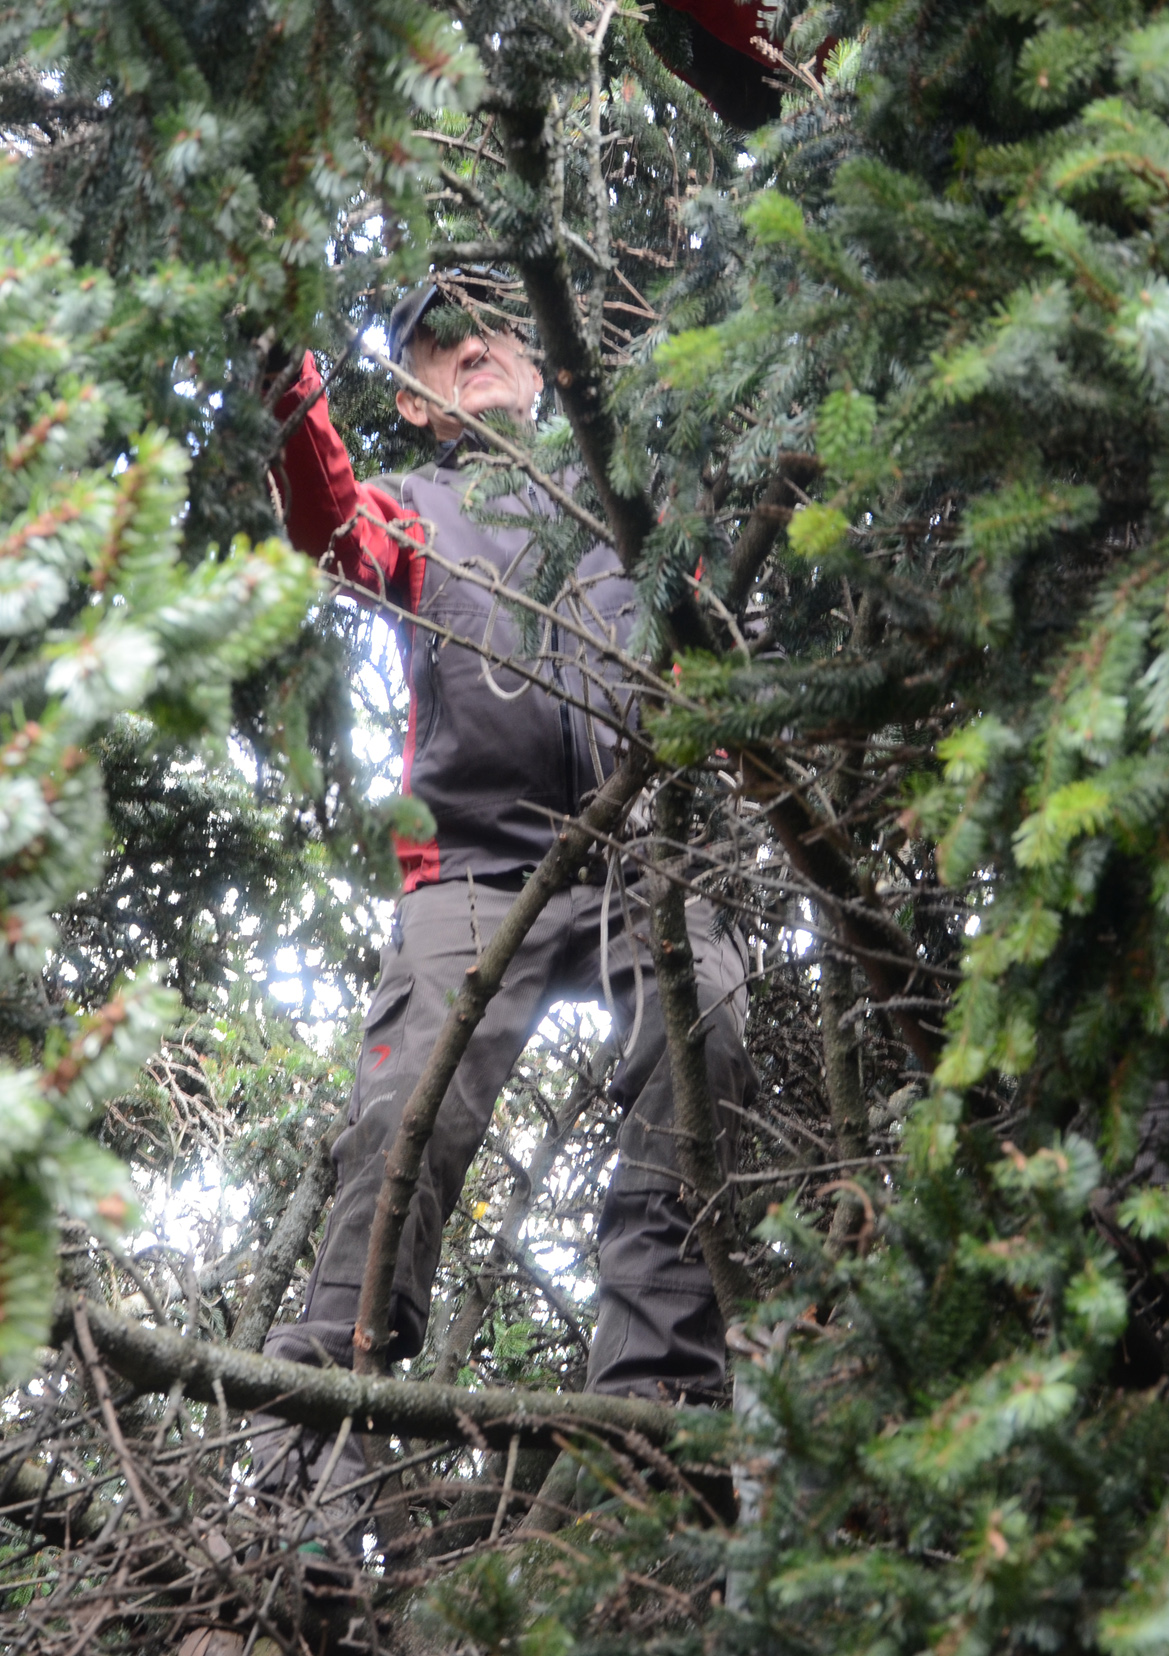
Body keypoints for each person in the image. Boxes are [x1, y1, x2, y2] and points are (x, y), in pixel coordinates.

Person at [248, 280, 754, 1529]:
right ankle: (306, 1471)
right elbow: (327, 526)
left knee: (717, 1023)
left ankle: (659, 1417)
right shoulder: (415, 510)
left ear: (541, 366)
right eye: (433, 350)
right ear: (419, 406)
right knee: (399, 1113)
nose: (468, 349)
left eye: (491, 331)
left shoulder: (622, 495)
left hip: (646, 847)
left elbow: (716, 625)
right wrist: (285, 383)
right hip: (475, 866)